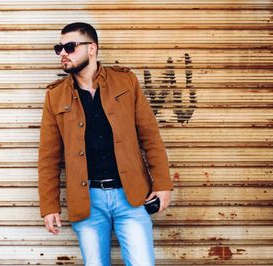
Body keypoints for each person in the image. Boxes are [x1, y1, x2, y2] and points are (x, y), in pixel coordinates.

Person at [38, 22, 173, 266]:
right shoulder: (55, 96)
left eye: (70, 47)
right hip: (87, 200)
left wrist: (163, 184)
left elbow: (150, 136)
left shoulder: (126, 82)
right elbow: (48, 158)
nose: (63, 54)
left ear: (92, 49)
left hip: (131, 196)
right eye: (59, 48)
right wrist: (50, 206)